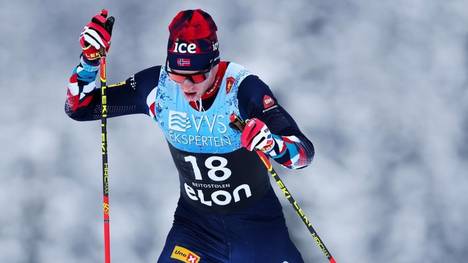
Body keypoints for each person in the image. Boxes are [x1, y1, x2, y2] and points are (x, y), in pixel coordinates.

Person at [65, 9, 315, 263]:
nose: (186, 86)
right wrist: (90, 62)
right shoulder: (158, 88)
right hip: (196, 230)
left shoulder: (242, 89)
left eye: (196, 76)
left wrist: (272, 143)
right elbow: (80, 107)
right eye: (177, 75)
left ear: (215, 64)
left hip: (258, 230)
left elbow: (303, 153)